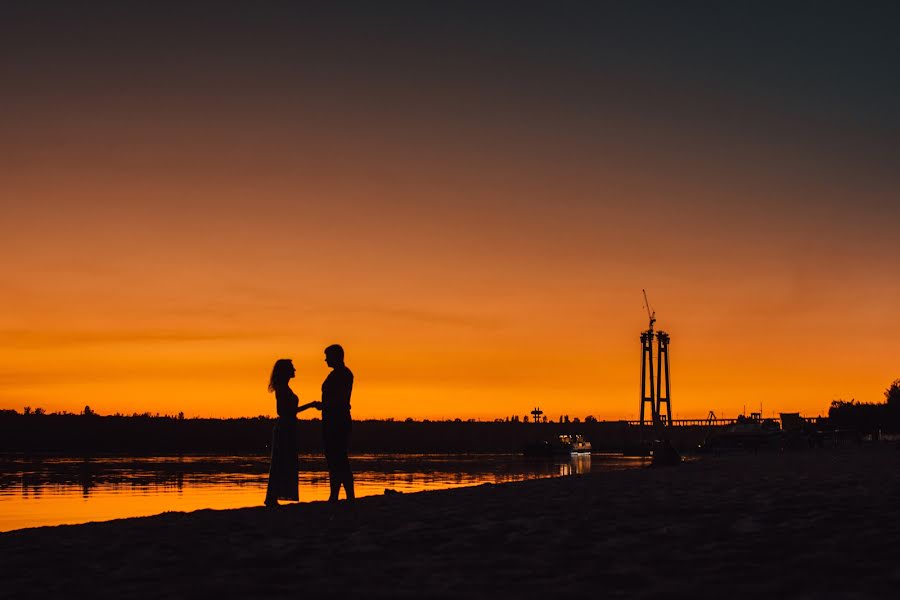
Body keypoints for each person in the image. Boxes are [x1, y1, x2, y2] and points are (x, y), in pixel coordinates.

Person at [264, 358, 317, 507]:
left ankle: (273, 496)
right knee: (281, 461)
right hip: (285, 427)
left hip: (289, 426)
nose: (295, 370)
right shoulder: (282, 388)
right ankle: (272, 497)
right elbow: (282, 410)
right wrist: (310, 405)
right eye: (292, 368)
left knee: (284, 461)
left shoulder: (284, 387)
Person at [316, 344, 355, 503]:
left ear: (336, 356)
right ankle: (335, 494)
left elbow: (340, 400)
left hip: (338, 421)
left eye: (328, 356)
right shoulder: (336, 374)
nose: (325, 360)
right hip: (331, 420)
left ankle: (348, 495)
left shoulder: (345, 374)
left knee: (339, 458)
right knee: (333, 459)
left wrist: (323, 406)